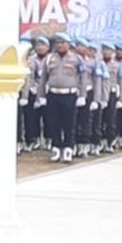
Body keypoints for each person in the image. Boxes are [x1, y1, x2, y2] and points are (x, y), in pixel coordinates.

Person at [39, 32, 84, 163]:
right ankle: (56, 148)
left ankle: (68, 148)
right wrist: (41, 96)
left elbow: (83, 78)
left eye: (62, 43)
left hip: (69, 94)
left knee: (69, 124)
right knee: (54, 123)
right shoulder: (49, 59)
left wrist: (82, 96)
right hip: (53, 95)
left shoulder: (76, 59)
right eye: (58, 43)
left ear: (68, 44)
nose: (60, 45)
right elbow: (43, 79)